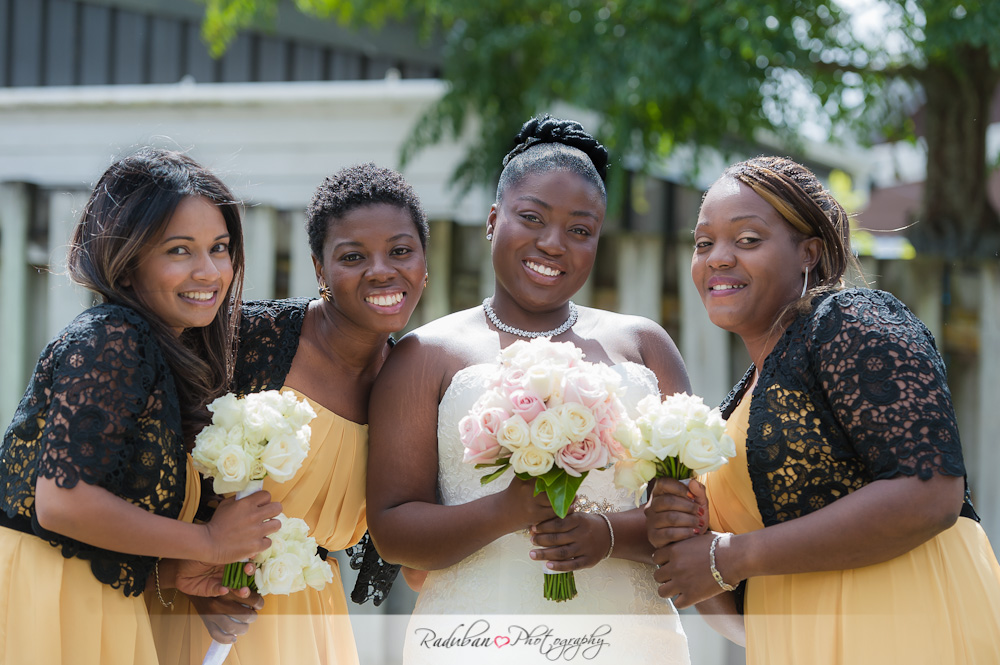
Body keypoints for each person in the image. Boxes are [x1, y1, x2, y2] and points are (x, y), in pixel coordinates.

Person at [646, 155, 1000, 664]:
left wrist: (730, 555)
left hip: (908, 630)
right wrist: (687, 537)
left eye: (747, 239)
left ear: (809, 252)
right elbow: (736, 614)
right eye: (704, 243)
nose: (718, 258)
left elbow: (932, 493)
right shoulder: (736, 408)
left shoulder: (850, 318)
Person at [367, 115, 693, 664]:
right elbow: (393, 531)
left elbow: (686, 517)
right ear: (494, 220)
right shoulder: (425, 355)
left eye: (580, 230)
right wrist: (507, 510)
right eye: (531, 218)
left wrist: (605, 535)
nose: (553, 243)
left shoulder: (643, 345)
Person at [0, 147, 282, 665]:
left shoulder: (166, 351)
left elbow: (102, 525)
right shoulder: (113, 337)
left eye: (219, 248)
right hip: (51, 603)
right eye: (179, 251)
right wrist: (210, 542)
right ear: (126, 264)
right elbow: (62, 504)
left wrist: (175, 572)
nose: (209, 271)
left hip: (99, 599)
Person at [148, 162, 429, 665]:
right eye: (353, 256)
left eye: (401, 251)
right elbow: (140, 483)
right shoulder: (244, 341)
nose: (382, 269)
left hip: (310, 628)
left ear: (423, 265)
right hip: (199, 611)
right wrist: (183, 580)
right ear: (320, 269)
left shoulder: (412, 382)